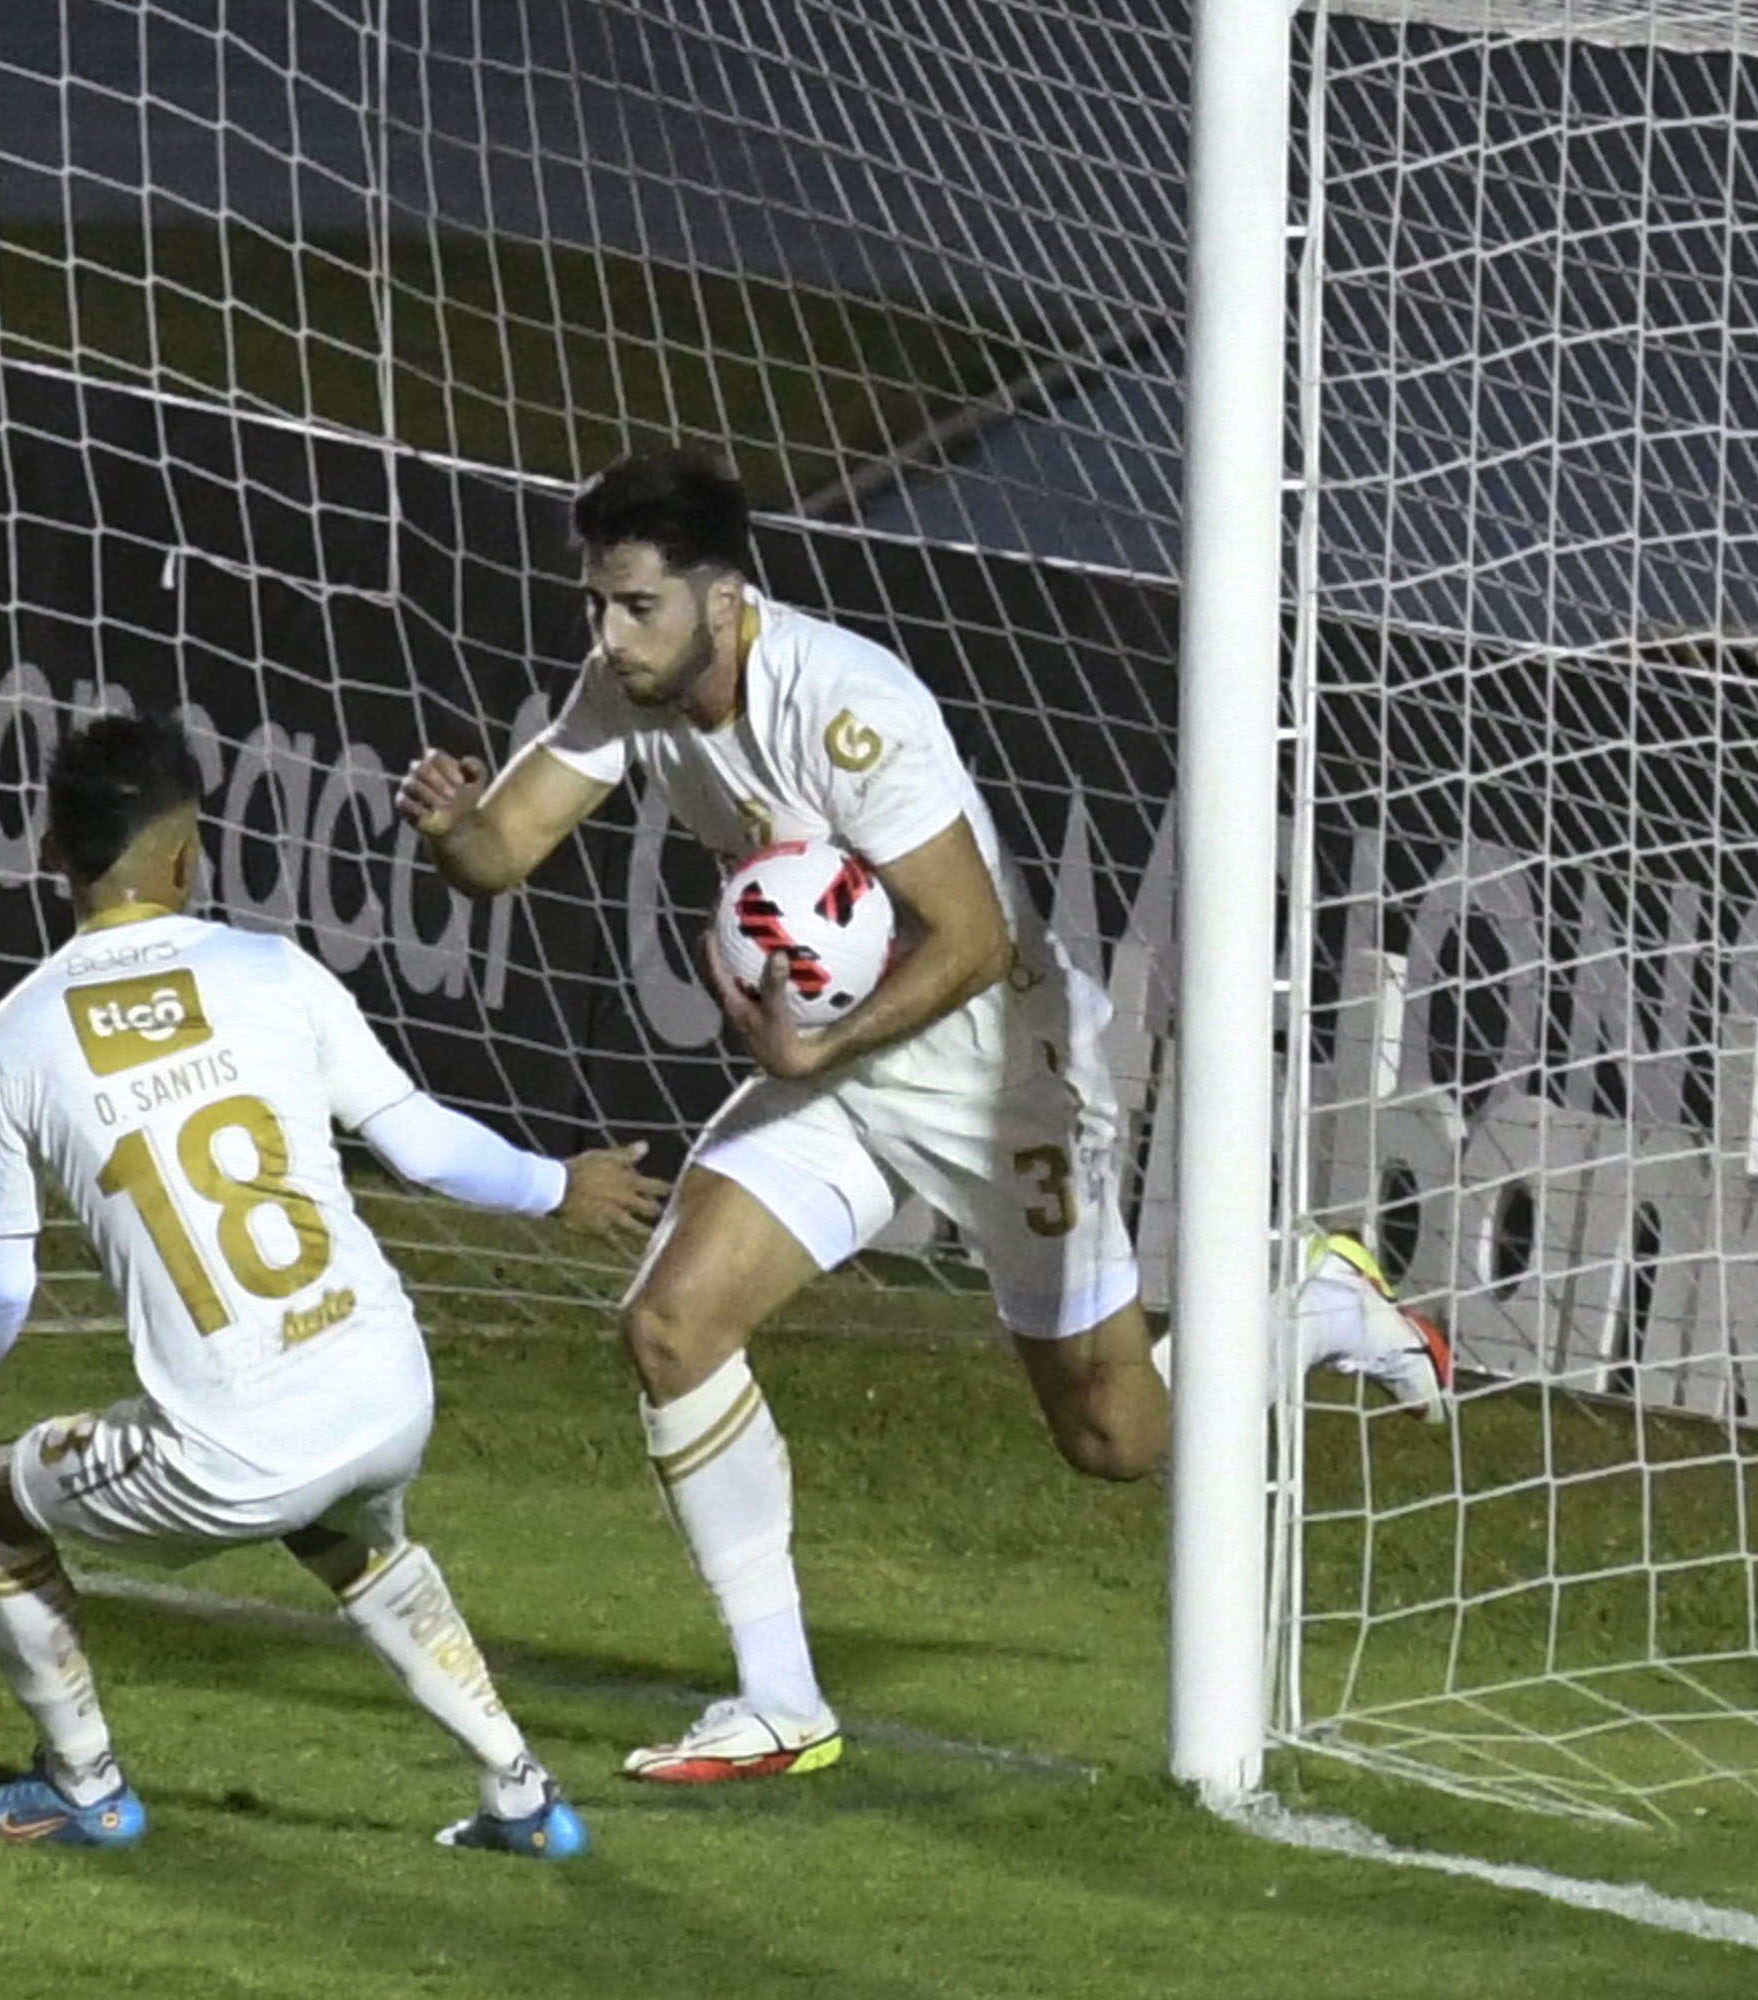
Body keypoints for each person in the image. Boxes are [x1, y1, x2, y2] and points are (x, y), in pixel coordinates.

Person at [394, 445, 1450, 1784]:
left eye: (635, 606)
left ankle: (1305, 1302)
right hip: (835, 1070)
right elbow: (502, 851)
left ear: (725, 599)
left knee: (1118, 1442)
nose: (607, 633)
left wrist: (825, 1032)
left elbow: (965, 937)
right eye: (595, 603)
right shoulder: (626, 687)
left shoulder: (847, 708)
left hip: (999, 1069)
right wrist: (448, 827)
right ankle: (781, 1701)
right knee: (671, 1326)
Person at [0, 712, 668, 1858]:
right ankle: (521, 1793)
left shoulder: (14, 1035)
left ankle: (81, 1785)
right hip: (384, 1386)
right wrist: (555, 1185)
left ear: (51, 853)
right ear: (189, 856)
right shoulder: (272, 967)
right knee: (344, 1531)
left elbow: (2, 1272)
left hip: (231, 1444)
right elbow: (416, 1140)